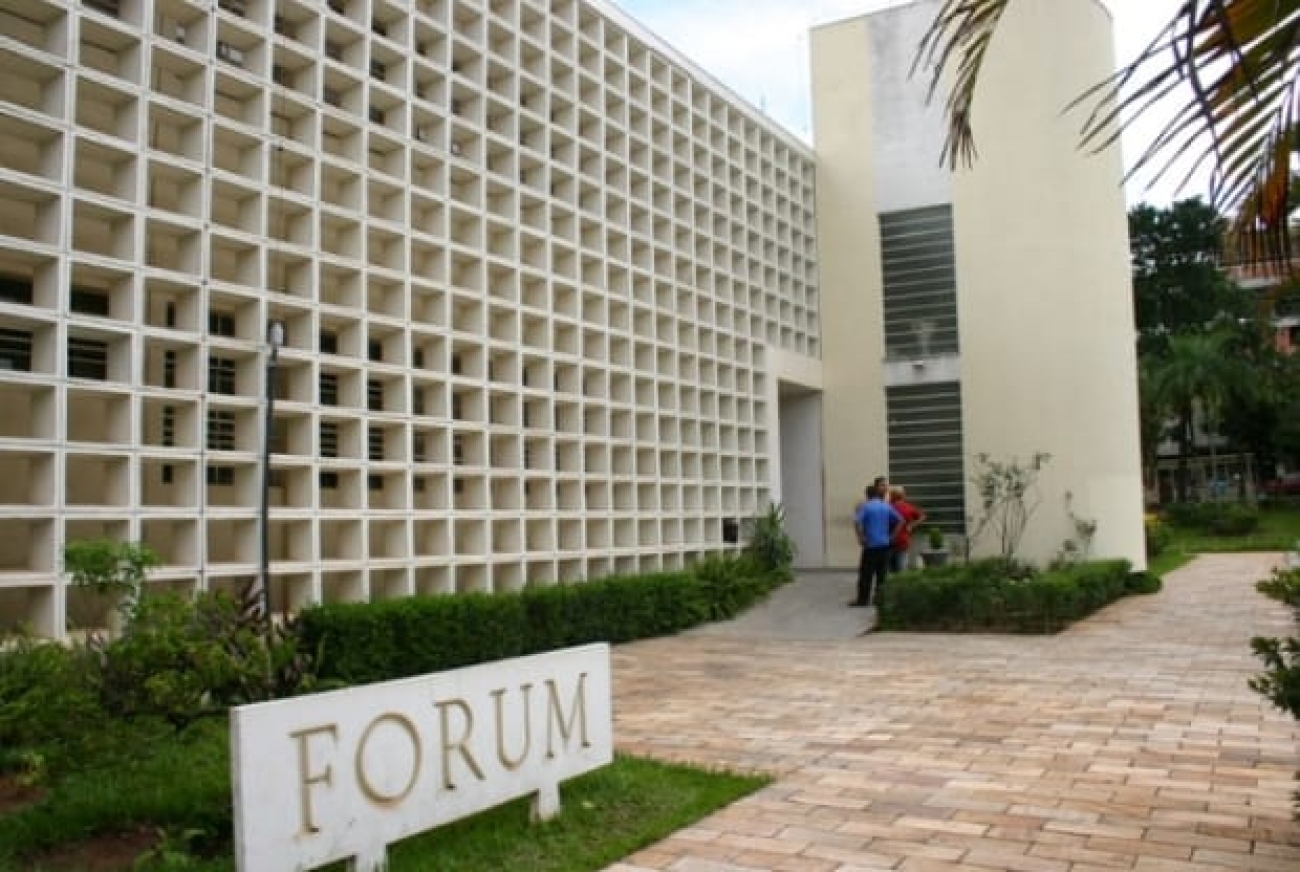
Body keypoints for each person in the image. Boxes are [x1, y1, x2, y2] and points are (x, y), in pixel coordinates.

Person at [851, 479, 902, 607]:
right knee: (882, 574)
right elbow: (900, 521)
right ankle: (880, 599)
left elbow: (857, 522)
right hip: (885, 544)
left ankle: (863, 600)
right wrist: (892, 536)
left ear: (867, 495)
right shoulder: (886, 506)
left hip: (871, 545)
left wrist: (861, 537)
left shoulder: (865, 507)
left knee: (866, 574)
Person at [887, 485, 926, 572]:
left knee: (888, 567)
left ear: (892, 496)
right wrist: (912, 525)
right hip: (903, 540)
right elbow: (922, 516)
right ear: (903, 495)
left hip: (888, 540)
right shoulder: (908, 507)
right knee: (901, 566)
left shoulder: (888, 507)